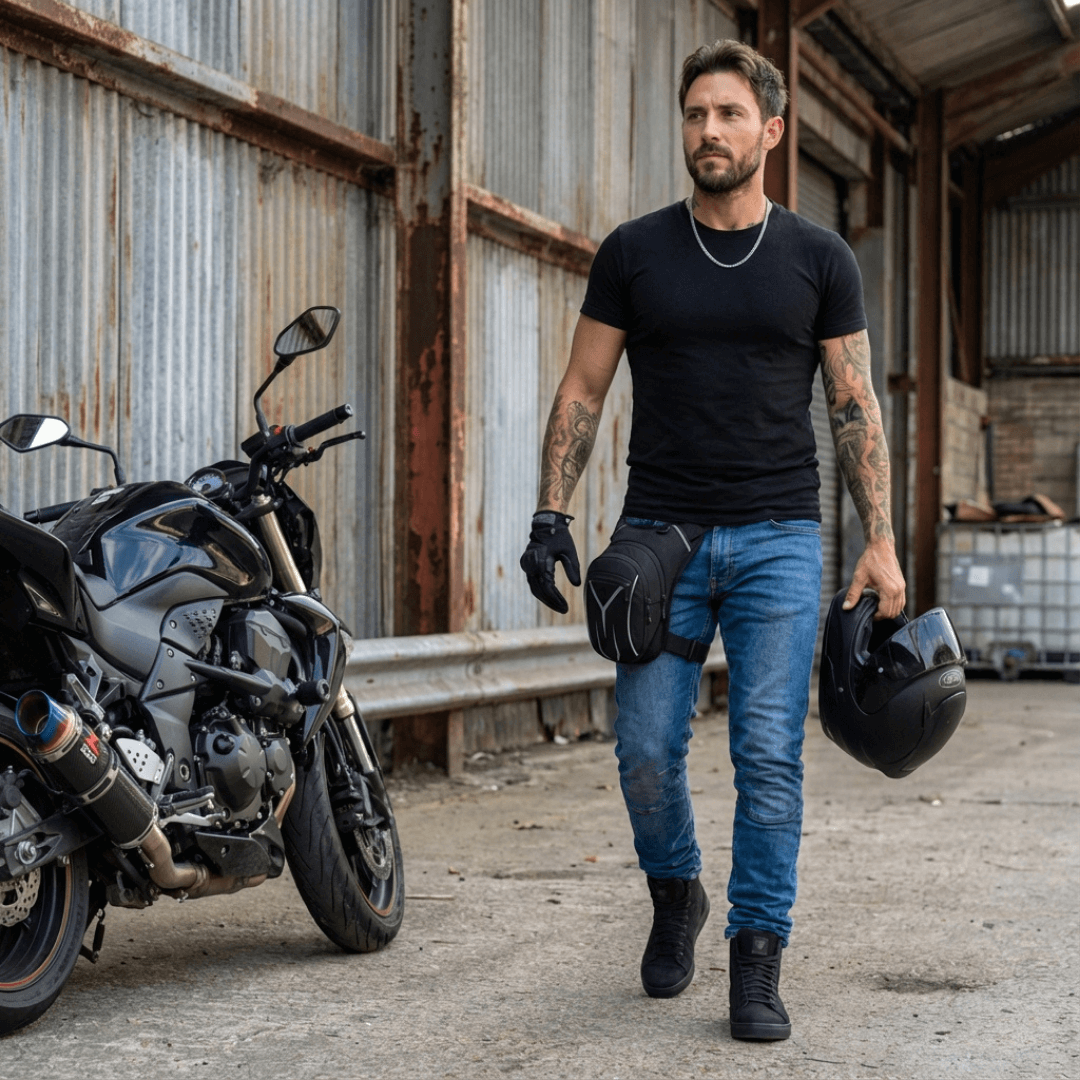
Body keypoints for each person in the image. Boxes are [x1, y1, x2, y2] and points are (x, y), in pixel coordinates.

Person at [519, 39, 905, 1041]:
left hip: (780, 535)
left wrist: (882, 543)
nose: (709, 132)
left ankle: (756, 956)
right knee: (646, 750)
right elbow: (583, 389)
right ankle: (675, 893)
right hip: (661, 536)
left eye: (730, 114)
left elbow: (855, 403)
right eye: (695, 115)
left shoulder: (819, 258)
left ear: (771, 131)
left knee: (768, 756)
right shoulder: (634, 252)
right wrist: (550, 515)